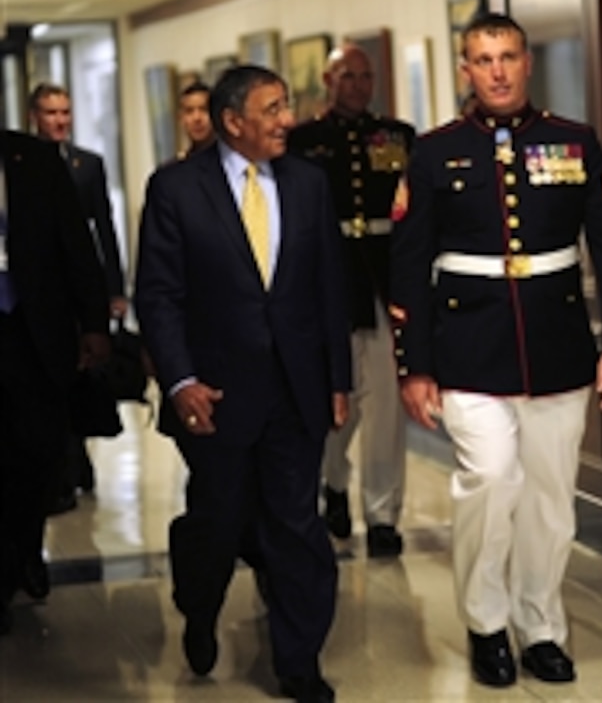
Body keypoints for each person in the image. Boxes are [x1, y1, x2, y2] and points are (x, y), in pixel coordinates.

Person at [389, 13, 602, 687]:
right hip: (467, 345)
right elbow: (408, 265)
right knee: (492, 478)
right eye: (482, 58)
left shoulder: (575, 142)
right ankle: (485, 622)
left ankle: (541, 625)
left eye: (507, 56)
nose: (496, 70)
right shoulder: (435, 153)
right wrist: (413, 365)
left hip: (558, 345)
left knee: (552, 497)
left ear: (527, 63)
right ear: (465, 69)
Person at [134, 64, 350, 703]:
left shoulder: (309, 183)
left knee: (295, 523)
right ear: (234, 123)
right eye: (274, 108)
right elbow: (160, 296)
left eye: (286, 106)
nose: (288, 119)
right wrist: (180, 381)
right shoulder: (175, 189)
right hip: (216, 396)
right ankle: (199, 607)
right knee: (218, 521)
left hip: (295, 388)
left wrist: (337, 378)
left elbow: (327, 289)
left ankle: (298, 661)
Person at [287, 43, 415, 557]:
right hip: (327, 282)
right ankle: (332, 482)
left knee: (385, 408)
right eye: (348, 75)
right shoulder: (302, 142)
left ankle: (383, 514)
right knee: (334, 400)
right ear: (326, 78)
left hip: (384, 280)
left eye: (366, 76)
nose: (358, 85)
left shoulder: (398, 137)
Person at [1, 129, 110, 634]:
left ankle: (26, 546)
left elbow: (75, 241)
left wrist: (93, 322)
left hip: (31, 328)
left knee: (37, 448)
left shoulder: (35, 158)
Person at [29, 82, 128, 507]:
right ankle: (60, 456)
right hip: (43, 287)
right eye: (51, 113)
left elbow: (103, 229)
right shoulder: (23, 162)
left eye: (65, 112)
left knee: (84, 369)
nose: (60, 120)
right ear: (35, 115)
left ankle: (79, 451)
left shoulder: (87, 164)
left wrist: (114, 289)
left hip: (79, 284)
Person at [177, 80, 215, 159]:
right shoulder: (177, 167)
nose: (196, 118)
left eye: (204, 109)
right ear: (181, 118)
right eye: (189, 111)